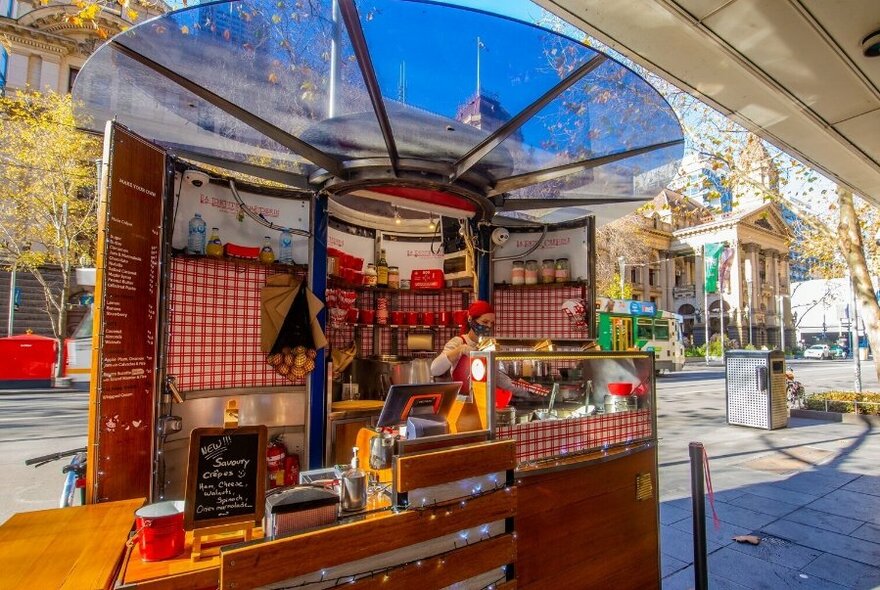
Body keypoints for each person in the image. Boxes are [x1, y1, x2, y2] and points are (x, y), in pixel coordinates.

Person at [430, 300, 540, 397]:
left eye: (491, 323)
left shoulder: (489, 347)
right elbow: (435, 369)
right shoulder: (458, 342)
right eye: (485, 322)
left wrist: (528, 389)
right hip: (462, 402)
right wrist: (460, 350)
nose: (488, 326)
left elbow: (500, 379)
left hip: (485, 404)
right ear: (470, 319)